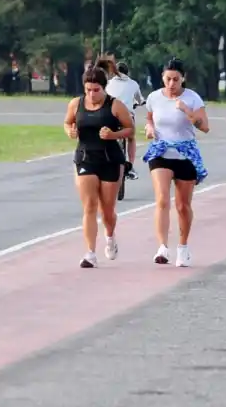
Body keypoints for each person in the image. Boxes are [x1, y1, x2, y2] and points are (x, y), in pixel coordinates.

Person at [64, 66, 135, 267]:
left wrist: (113, 135)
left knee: (107, 210)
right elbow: (67, 122)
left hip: (110, 159)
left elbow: (130, 130)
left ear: (104, 88)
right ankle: (90, 253)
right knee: (89, 206)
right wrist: (70, 131)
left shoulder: (115, 106)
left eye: (96, 90)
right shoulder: (76, 104)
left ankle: (110, 237)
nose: (92, 94)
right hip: (85, 158)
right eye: (88, 90)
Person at [142, 58, 210, 267]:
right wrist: (150, 128)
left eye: (176, 79)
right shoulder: (154, 97)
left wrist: (187, 112)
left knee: (182, 205)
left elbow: (204, 126)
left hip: (185, 153)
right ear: (162, 78)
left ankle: (183, 246)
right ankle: (162, 247)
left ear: (183, 79)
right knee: (162, 199)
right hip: (161, 151)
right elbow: (150, 118)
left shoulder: (192, 98)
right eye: (168, 79)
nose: (171, 84)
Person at [95, 56, 144, 178]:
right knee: (131, 137)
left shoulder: (109, 83)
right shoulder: (133, 84)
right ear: (128, 73)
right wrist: (140, 102)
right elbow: (140, 99)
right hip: (127, 115)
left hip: (110, 114)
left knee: (103, 135)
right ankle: (130, 166)